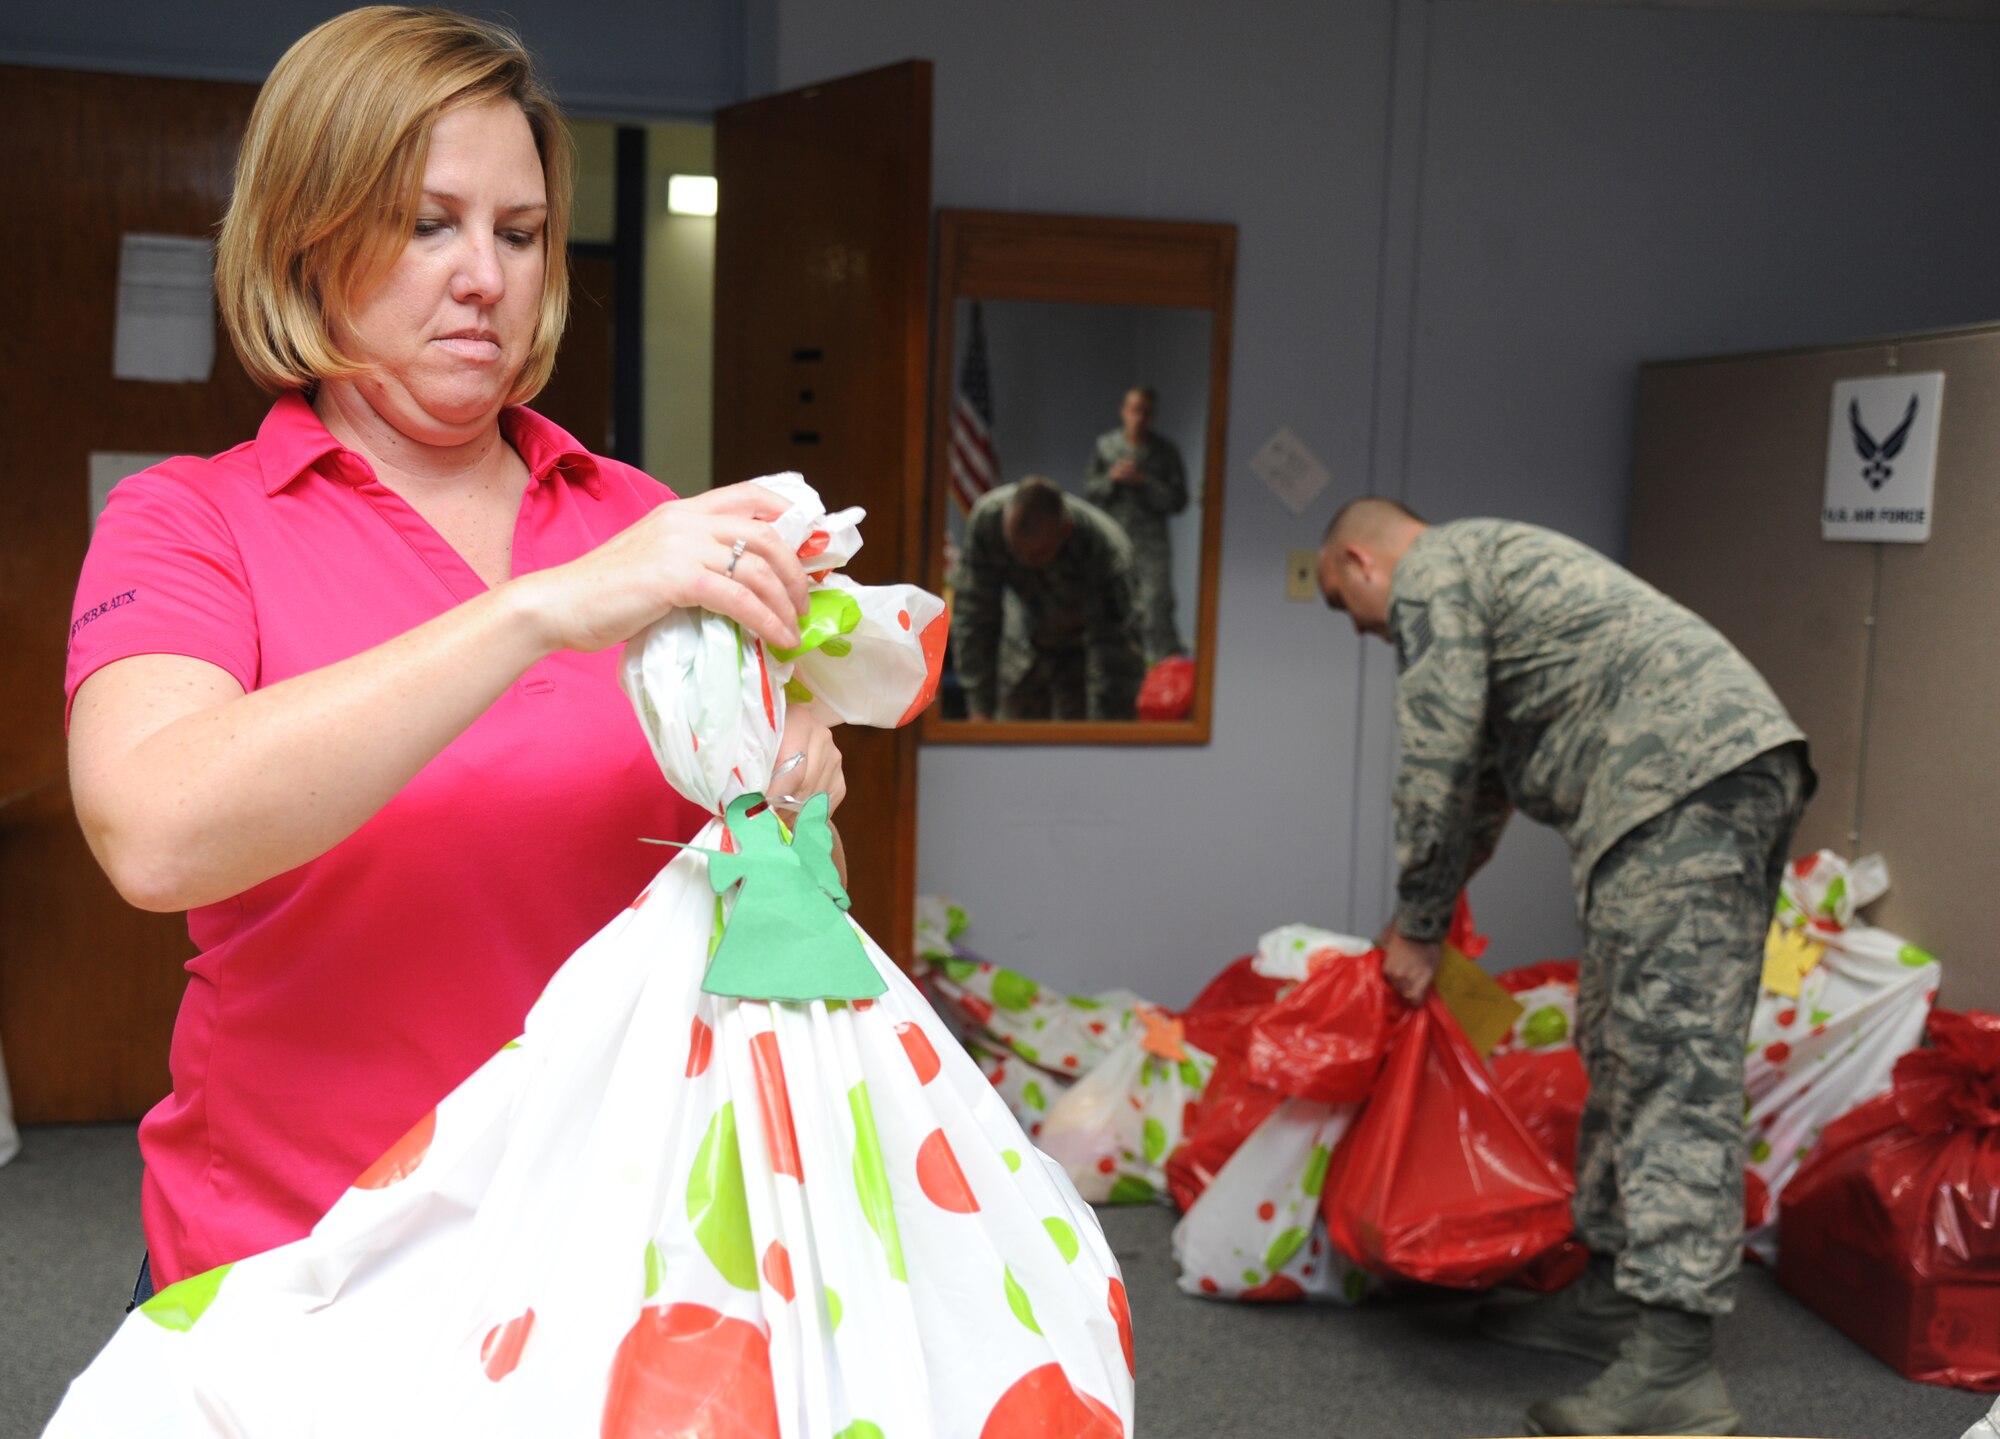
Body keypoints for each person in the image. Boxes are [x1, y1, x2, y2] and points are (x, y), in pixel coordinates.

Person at [65, 7, 845, 1300]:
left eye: (519, 232)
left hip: (599, 1251)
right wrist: (536, 610)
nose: (485, 273)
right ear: (308, 238)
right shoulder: (190, 521)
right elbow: (154, 829)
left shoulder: (641, 520)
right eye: (430, 222)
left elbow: (734, 882)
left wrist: (790, 789)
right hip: (295, 1268)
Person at [1318, 497, 1812, 1438]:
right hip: (1683, 783)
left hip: (1682, 786)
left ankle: (1673, 1365)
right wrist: (1418, 917)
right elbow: (1483, 790)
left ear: (1361, 560)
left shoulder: (1438, 575)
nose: (1368, 629)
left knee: (1671, 1060)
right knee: (1622, 1041)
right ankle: (1611, 1294)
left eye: (1352, 607)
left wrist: (1421, 925)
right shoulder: (1493, 581)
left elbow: (1438, 758)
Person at [952, 475, 1145, 721]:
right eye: (1016, 551)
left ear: (1065, 530)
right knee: (1009, 739)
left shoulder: (1105, 549)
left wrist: (1106, 735)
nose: (1024, 562)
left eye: (1038, 554)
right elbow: (975, 616)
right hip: (1021, 645)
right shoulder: (988, 522)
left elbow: (1117, 651)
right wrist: (979, 705)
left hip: (1082, 653)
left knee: (1077, 741)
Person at [1084, 385, 1189, 661]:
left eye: (1145, 412)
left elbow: (1179, 500)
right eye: (1133, 410)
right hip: (1113, 539)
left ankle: (1161, 673)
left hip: (1151, 545)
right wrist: (1112, 479)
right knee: (1109, 605)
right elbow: (1089, 492)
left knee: (1156, 607)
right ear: (1123, 411)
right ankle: (1110, 666)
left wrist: (1145, 482)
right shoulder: (1106, 447)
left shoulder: (1165, 452)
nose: (1138, 417)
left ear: (1152, 416)